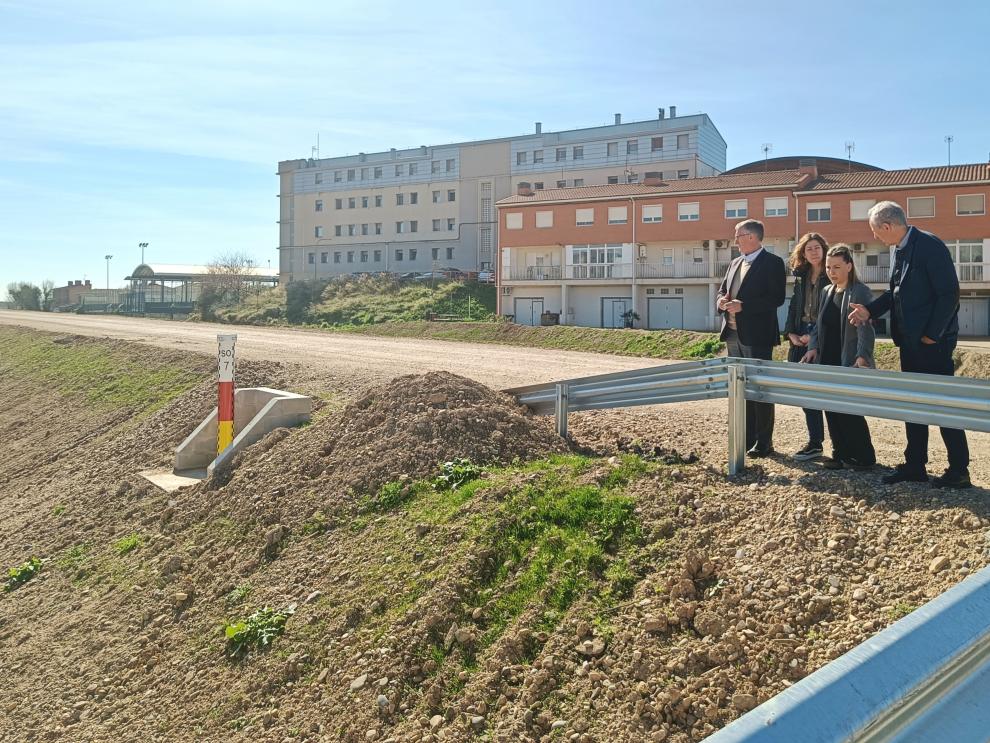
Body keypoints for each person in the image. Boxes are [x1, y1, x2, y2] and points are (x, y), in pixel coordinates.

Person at [848, 201, 970, 489]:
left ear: (887, 226)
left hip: (932, 344)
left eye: (876, 232)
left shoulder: (929, 246)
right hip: (909, 343)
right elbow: (895, 292)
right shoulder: (900, 250)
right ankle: (915, 465)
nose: (875, 237)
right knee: (913, 404)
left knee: (943, 405)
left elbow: (949, 294)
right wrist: (869, 311)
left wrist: (932, 335)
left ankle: (959, 470)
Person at [801, 244, 877, 469]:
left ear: (849, 266)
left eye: (836, 267)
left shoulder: (859, 291)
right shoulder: (827, 291)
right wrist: (813, 347)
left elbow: (866, 328)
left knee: (850, 410)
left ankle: (864, 457)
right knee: (830, 407)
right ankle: (840, 453)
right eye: (828, 267)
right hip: (827, 357)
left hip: (849, 359)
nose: (831, 272)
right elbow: (818, 325)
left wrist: (862, 356)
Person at [717, 218, 787, 457]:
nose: (735, 240)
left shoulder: (773, 263)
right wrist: (721, 301)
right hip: (732, 334)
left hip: (758, 337)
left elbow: (776, 298)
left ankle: (764, 442)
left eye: (738, 236)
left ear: (751, 237)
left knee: (760, 389)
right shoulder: (734, 262)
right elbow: (723, 289)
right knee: (740, 388)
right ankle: (746, 438)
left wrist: (744, 306)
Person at [784, 233, 831, 460]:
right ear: (803, 252)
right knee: (804, 392)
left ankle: (838, 446)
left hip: (822, 337)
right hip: (800, 335)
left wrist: (812, 338)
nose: (813, 252)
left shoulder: (831, 274)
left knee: (823, 392)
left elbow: (830, 311)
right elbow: (794, 306)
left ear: (824, 249)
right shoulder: (801, 276)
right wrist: (790, 333)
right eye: (809, 248)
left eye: (817, 247)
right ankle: (815, 442)